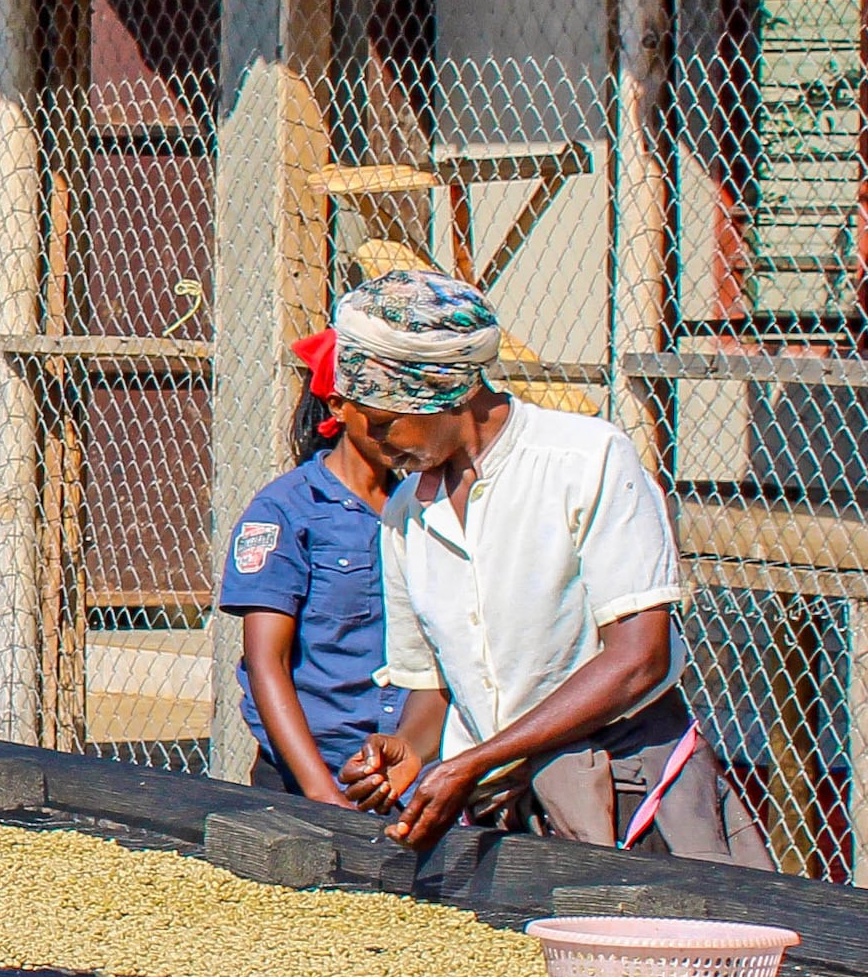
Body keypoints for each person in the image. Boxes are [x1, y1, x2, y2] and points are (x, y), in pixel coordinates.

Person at [325, 266, 753, 861]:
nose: (372, 440)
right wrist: (410, 751)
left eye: (383, 420)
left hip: (620, 778)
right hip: (493, 797)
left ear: (445, 393)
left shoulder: (585, 461)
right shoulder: (407, 513)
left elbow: (639, 659)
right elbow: (437, 688)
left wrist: (479, 759)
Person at [220, 327, 409, 802]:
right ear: (338, 407)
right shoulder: (285, 511)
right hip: (314, 776)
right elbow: (269, 662)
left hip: (407, 774)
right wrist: (322, 794)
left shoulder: (425, 507)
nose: (400, 428)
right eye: (382, 414)